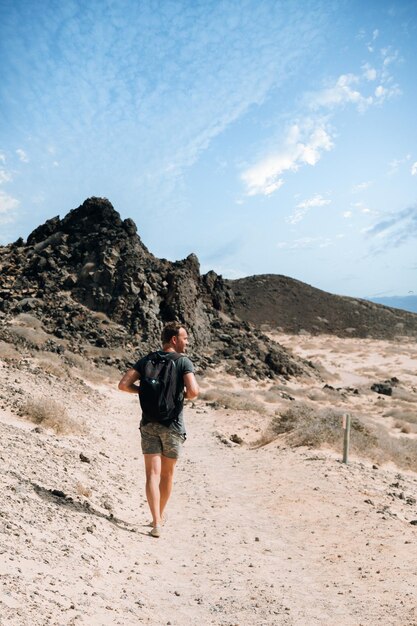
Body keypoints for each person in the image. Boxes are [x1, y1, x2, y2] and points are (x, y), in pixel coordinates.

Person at [118, 321, 199, 538]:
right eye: (185, 338)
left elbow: (123, 385)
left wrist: (142, 392)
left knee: (151, 475)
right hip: (172, 425)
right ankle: (160, 516)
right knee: (167, 474)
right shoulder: (183, 362)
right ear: (174, 339)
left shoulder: (147, 359)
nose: (187, 342)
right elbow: (193, 391)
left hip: (149, 424)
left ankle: (155, 522)